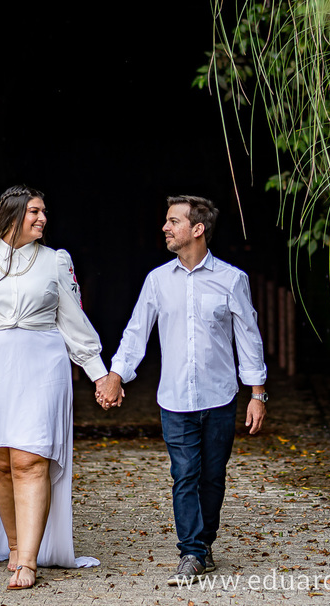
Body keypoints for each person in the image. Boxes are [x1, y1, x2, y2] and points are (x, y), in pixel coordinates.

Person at [0, 185, 109, 590]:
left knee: (31, 460)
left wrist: (99, 373)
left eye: (44, 211)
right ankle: (14, 548)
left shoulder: (55, 263)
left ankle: (29, 561)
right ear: (11, 215)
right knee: (0, 463)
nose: (43, 218)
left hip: (41, 369)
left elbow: (75, 322)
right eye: (34, 211)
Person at [96, 195, 267, 585]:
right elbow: (136, 332)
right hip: (173, 398)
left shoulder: (231, 279)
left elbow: (248, 338)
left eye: (173, 221)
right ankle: (191, 551)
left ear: (197, 229)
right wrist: (116, 375)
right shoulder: (157, 281)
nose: (165, 228)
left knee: (213, 477)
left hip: (220, 396)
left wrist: (257, 394)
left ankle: (203, 545)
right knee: (184, 474)